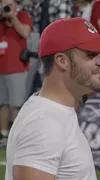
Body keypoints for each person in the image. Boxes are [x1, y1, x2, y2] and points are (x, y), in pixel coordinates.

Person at [5, 17, 100, 180]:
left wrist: (92, 83)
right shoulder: (43, 124)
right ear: (62, 61)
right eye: (91, 54)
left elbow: (69, 101)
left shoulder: (53, 108)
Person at [23, 0, 75, 100]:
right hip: (43, 50)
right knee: (45, 89)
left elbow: (63, 30)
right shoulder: (41, 4)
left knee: (56, 91)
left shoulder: (62, 2)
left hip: (57, 52)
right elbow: (36, 27)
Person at [0, 0, 32, 145]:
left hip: (17, 67)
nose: (7, 7)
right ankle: (4, 135)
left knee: (17, 104)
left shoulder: (23, 15)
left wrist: (12, 17)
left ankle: (17, 137)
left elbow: (25, 32)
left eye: (10, 4)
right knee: (2, 103)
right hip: (1, 67)